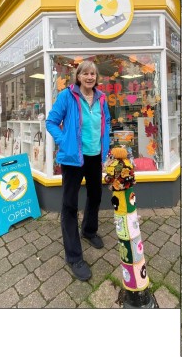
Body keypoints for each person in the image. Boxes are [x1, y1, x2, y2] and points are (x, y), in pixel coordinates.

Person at [45, 60, 111, 281]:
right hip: (73, 159)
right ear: (78, 76)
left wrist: (106, 146)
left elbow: (107, 122)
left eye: (93, 73)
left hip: (94, 157)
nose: (90, 77)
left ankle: (89, 231)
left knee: (96, 195)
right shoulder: (67, 96)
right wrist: (64, 141)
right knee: (69, 205)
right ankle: (74, 257)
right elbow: (51, 122)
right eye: (86, 74)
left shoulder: (101, 98)